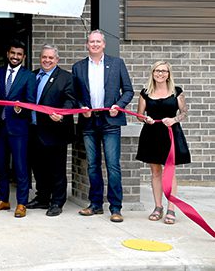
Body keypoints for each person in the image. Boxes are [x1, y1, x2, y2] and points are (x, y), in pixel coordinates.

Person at [72, 30, 134, 223]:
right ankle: (95, 204)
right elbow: (74, 95)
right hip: (89, 121)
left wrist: (119, 106)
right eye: (92, 42)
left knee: (113, 165)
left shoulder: (117, 64)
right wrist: (82, 107)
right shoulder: (78, 67)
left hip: (111, 121)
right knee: (93, 165)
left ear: (104, 44)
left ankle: (116, 207)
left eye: (98, 41)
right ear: (87, 44)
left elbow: (128, 91)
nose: (95, 44)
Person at [0, 39, 36, 218]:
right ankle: (3, 200)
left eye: (19, 54)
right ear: (7, 54)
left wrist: (20, 108)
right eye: (13, 53)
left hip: (19, 128)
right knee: (1, 166)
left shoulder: (28, 76)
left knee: (21, 167)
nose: (15, 57)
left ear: (23, 57)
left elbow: (31, 102)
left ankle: (22, 203)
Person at [136, 61, 190, 225]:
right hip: (151, 134)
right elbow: (139, 115)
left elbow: (184, 112)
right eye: (157, 71)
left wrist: (174, 119)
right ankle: (158, 207)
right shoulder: (145, 92)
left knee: (170, 172)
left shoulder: (176, 91)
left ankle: (171, 208)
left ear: (169, 74)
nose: (160, 74)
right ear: (153, 73)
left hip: (171, 133)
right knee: (155, 172)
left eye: (164, 71)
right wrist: (146, 118)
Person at [27, 44, 76, 217]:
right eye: (44, 57)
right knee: (38, 168)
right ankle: (42, 198)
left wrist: (61, 114)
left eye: (50, 58)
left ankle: (57, 201)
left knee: (56, 169)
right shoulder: (32, 76)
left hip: (55, 131)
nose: (47, 60)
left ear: (57, 60)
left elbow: (71, 100)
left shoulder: (66, 77)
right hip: (34, 130)